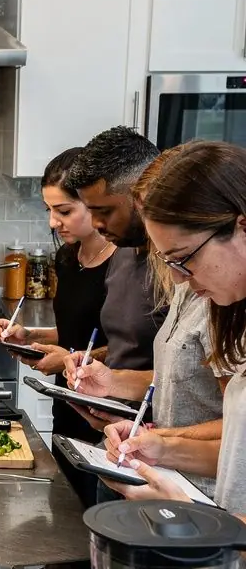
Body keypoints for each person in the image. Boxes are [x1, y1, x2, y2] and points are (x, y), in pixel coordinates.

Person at [100, 141, 246, 569]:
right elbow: (235, 449)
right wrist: (162, 448)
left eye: (185, 259)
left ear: (240, 225)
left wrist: (187, 513)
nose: (183, 280)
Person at [60, 155, 226, 496]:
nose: (178, 274)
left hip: (198, 493)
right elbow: (179, 379)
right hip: (157, 475)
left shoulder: (223, 300)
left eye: (181, 256)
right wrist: (113, 383)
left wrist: (159, 441)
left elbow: (234, 431)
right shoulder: (189, 285)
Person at [0, 147, 115, 504]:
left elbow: (125, 350)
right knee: (66, 511)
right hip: (69, 405)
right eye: (49, 210)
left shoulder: (122, 264)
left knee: (94, 523)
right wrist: (29, 335)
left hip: (106, 415)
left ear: (94, 204)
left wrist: (68, 358)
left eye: (64, 211)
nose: (53, 223)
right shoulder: (66, 257)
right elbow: (77, 329)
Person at [64, 127, 166, 380]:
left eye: (105, 211)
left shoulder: (179, 268)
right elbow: (129, 348)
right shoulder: (121, 251)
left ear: (142, 193)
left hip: (157, 420)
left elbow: (186, 376)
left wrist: (115, 385)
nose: (97, 223)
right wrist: (91, 360)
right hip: (115, 416)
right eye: (90, 210)